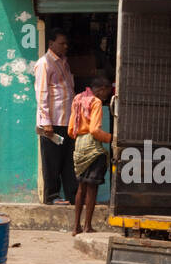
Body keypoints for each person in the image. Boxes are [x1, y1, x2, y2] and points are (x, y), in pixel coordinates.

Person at [34, 28, 76, 205]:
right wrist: (46, 122)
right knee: (52, 161)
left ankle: (72, 195)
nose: (65, 46)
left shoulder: (64, 62)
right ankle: (52, 197)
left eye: (66, 43)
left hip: (67, 121)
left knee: (68, 160)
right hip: (52, 122)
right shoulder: (44, 63)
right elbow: (42, 92)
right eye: (62, 43)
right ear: (51, 44)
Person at [68, 74, 113, 236]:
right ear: (101, 90)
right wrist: (110, 138)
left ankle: (76, 227)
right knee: (92, 188)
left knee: (81, 187)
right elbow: (94, 130)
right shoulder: (96, 102)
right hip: (92, 146)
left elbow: (71, 129)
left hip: (78, 145)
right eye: (107, 92)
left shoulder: (78, 99)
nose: (107, 96)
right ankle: (87, 225)